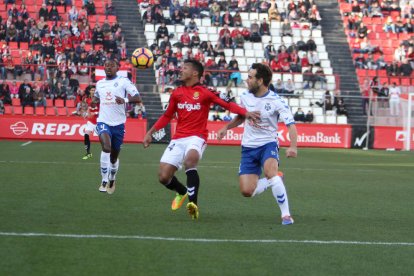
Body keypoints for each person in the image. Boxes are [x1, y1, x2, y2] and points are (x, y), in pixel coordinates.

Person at [143, 59, 260, 220]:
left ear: (194, 73)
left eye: (184, 68)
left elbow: (227, 105)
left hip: (197, 137)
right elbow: (167, 116)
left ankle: (193, 204)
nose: (180, 70)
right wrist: (150, 132)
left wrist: (245, 112)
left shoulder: (205, 92)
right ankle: (182, 191)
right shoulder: (177, 93)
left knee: (190, 161)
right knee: (163, 176)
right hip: (178, 138)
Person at [217, 63, 297, 225]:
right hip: (248, 147)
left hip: (268, 144)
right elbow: (241, 116)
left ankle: (286, 215)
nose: (247, 80)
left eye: (250, 77)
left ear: (260, 81)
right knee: (247, 191)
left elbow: (291, 125)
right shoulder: (246, 96)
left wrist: (293, 146)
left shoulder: (276, 101)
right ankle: (274, 178)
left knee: (269, 172)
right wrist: (226, 127)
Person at [91, 59, 142, 194]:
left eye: (112, 65)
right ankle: (103, 180)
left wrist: (124, 100)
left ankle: (112, 177)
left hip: (118, 124)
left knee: (114, 158)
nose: (108, 67)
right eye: (106, 65)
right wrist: (93, 101)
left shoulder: (124, 81)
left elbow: (138, 98)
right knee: (106, 147)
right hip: (103, 121)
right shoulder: (100, 83)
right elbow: (96, 98)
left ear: (117, 68)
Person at [81, 92, 99, 160]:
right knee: (86, 135)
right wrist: (85, 113)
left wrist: (95, 113)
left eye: (94, 90)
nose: (93, 91)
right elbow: (85, 108)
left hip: (98, 122)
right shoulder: (87, 100)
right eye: (91, 90)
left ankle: (110, 153)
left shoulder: (99, 101)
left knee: (103, 139)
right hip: (91, 122)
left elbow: (102, 111)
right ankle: (88, 153)